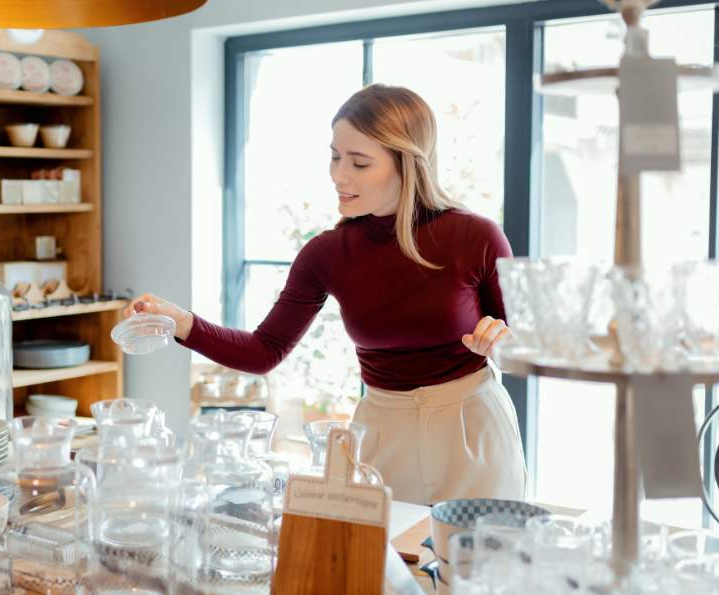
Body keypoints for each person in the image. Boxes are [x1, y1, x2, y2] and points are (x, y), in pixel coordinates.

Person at [123, 84, 526, 505]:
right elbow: (265, 351)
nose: (338, 174)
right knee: (385, 567)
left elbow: (522, 347)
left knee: (482, 565)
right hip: (381, 434)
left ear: (407, 164)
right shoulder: (328, 253)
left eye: (359, 162)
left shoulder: (475, 237)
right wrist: (181, 323)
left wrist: (503, 344)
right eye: (335, 156)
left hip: (473, 428)